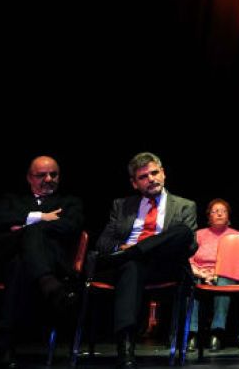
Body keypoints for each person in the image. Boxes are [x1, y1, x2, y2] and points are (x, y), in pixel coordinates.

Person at [0, 156, 84, 369]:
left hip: (47, 261)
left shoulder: (70, 202)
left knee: (18, 264)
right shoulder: (11, 200)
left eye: (53, 174)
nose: (48, 178)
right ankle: (51, 286)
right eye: (41, 175)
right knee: (26, 240)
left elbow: (71, 226)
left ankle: (5, 345)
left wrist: (26, 224)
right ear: (29, 178)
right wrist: (40, 217)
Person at [95, 152, 197, 369]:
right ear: (134, 183)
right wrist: (120, 248)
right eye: (143, 177)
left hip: (164, 265)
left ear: (163, 174)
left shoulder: (184, 205)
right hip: (127, 267)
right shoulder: (122, 205)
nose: (151, 179)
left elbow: (189, 245)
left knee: (182, 231)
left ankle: (135, 253)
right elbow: (103, 242)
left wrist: (137, 250)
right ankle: (126, 346)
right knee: (132, 265)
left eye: (154, 173)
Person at [187, 199, 239, 352]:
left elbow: (237, 262)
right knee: (192, 281)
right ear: (208, 217)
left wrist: (217, 272)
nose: (219, 213)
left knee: (224, 281)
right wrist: (200, 272)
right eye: (214, 211)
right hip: (200, 272)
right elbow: (189, 258)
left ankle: (217, 332)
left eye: (223, 211)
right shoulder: (198, 234)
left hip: (224, 273)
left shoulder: (236, 236)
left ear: (228, 216)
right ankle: (192, 333)